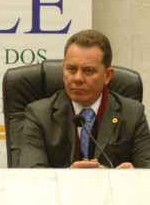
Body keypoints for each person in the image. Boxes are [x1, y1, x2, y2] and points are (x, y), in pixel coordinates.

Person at [19, 29, 150, 168]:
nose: (78, 78)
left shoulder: (132, 114)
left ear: (107, 75)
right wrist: (69, 176)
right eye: (71, 69)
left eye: (88, 71)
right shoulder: (39, 114)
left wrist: (132, 178)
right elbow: (31, 175)